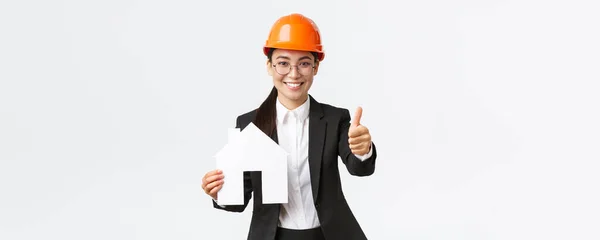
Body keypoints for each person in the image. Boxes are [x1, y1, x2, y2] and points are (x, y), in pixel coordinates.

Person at [201, 13, 378, 240]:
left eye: (304, 63)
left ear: (315, 67)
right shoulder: (249, 126)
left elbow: (359, 168)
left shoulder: (335, 119)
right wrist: (219, 193)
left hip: (329, 235)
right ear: (269, 66)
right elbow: (239, 200)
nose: (294, 74)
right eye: (283, 63)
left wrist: (363, 150)